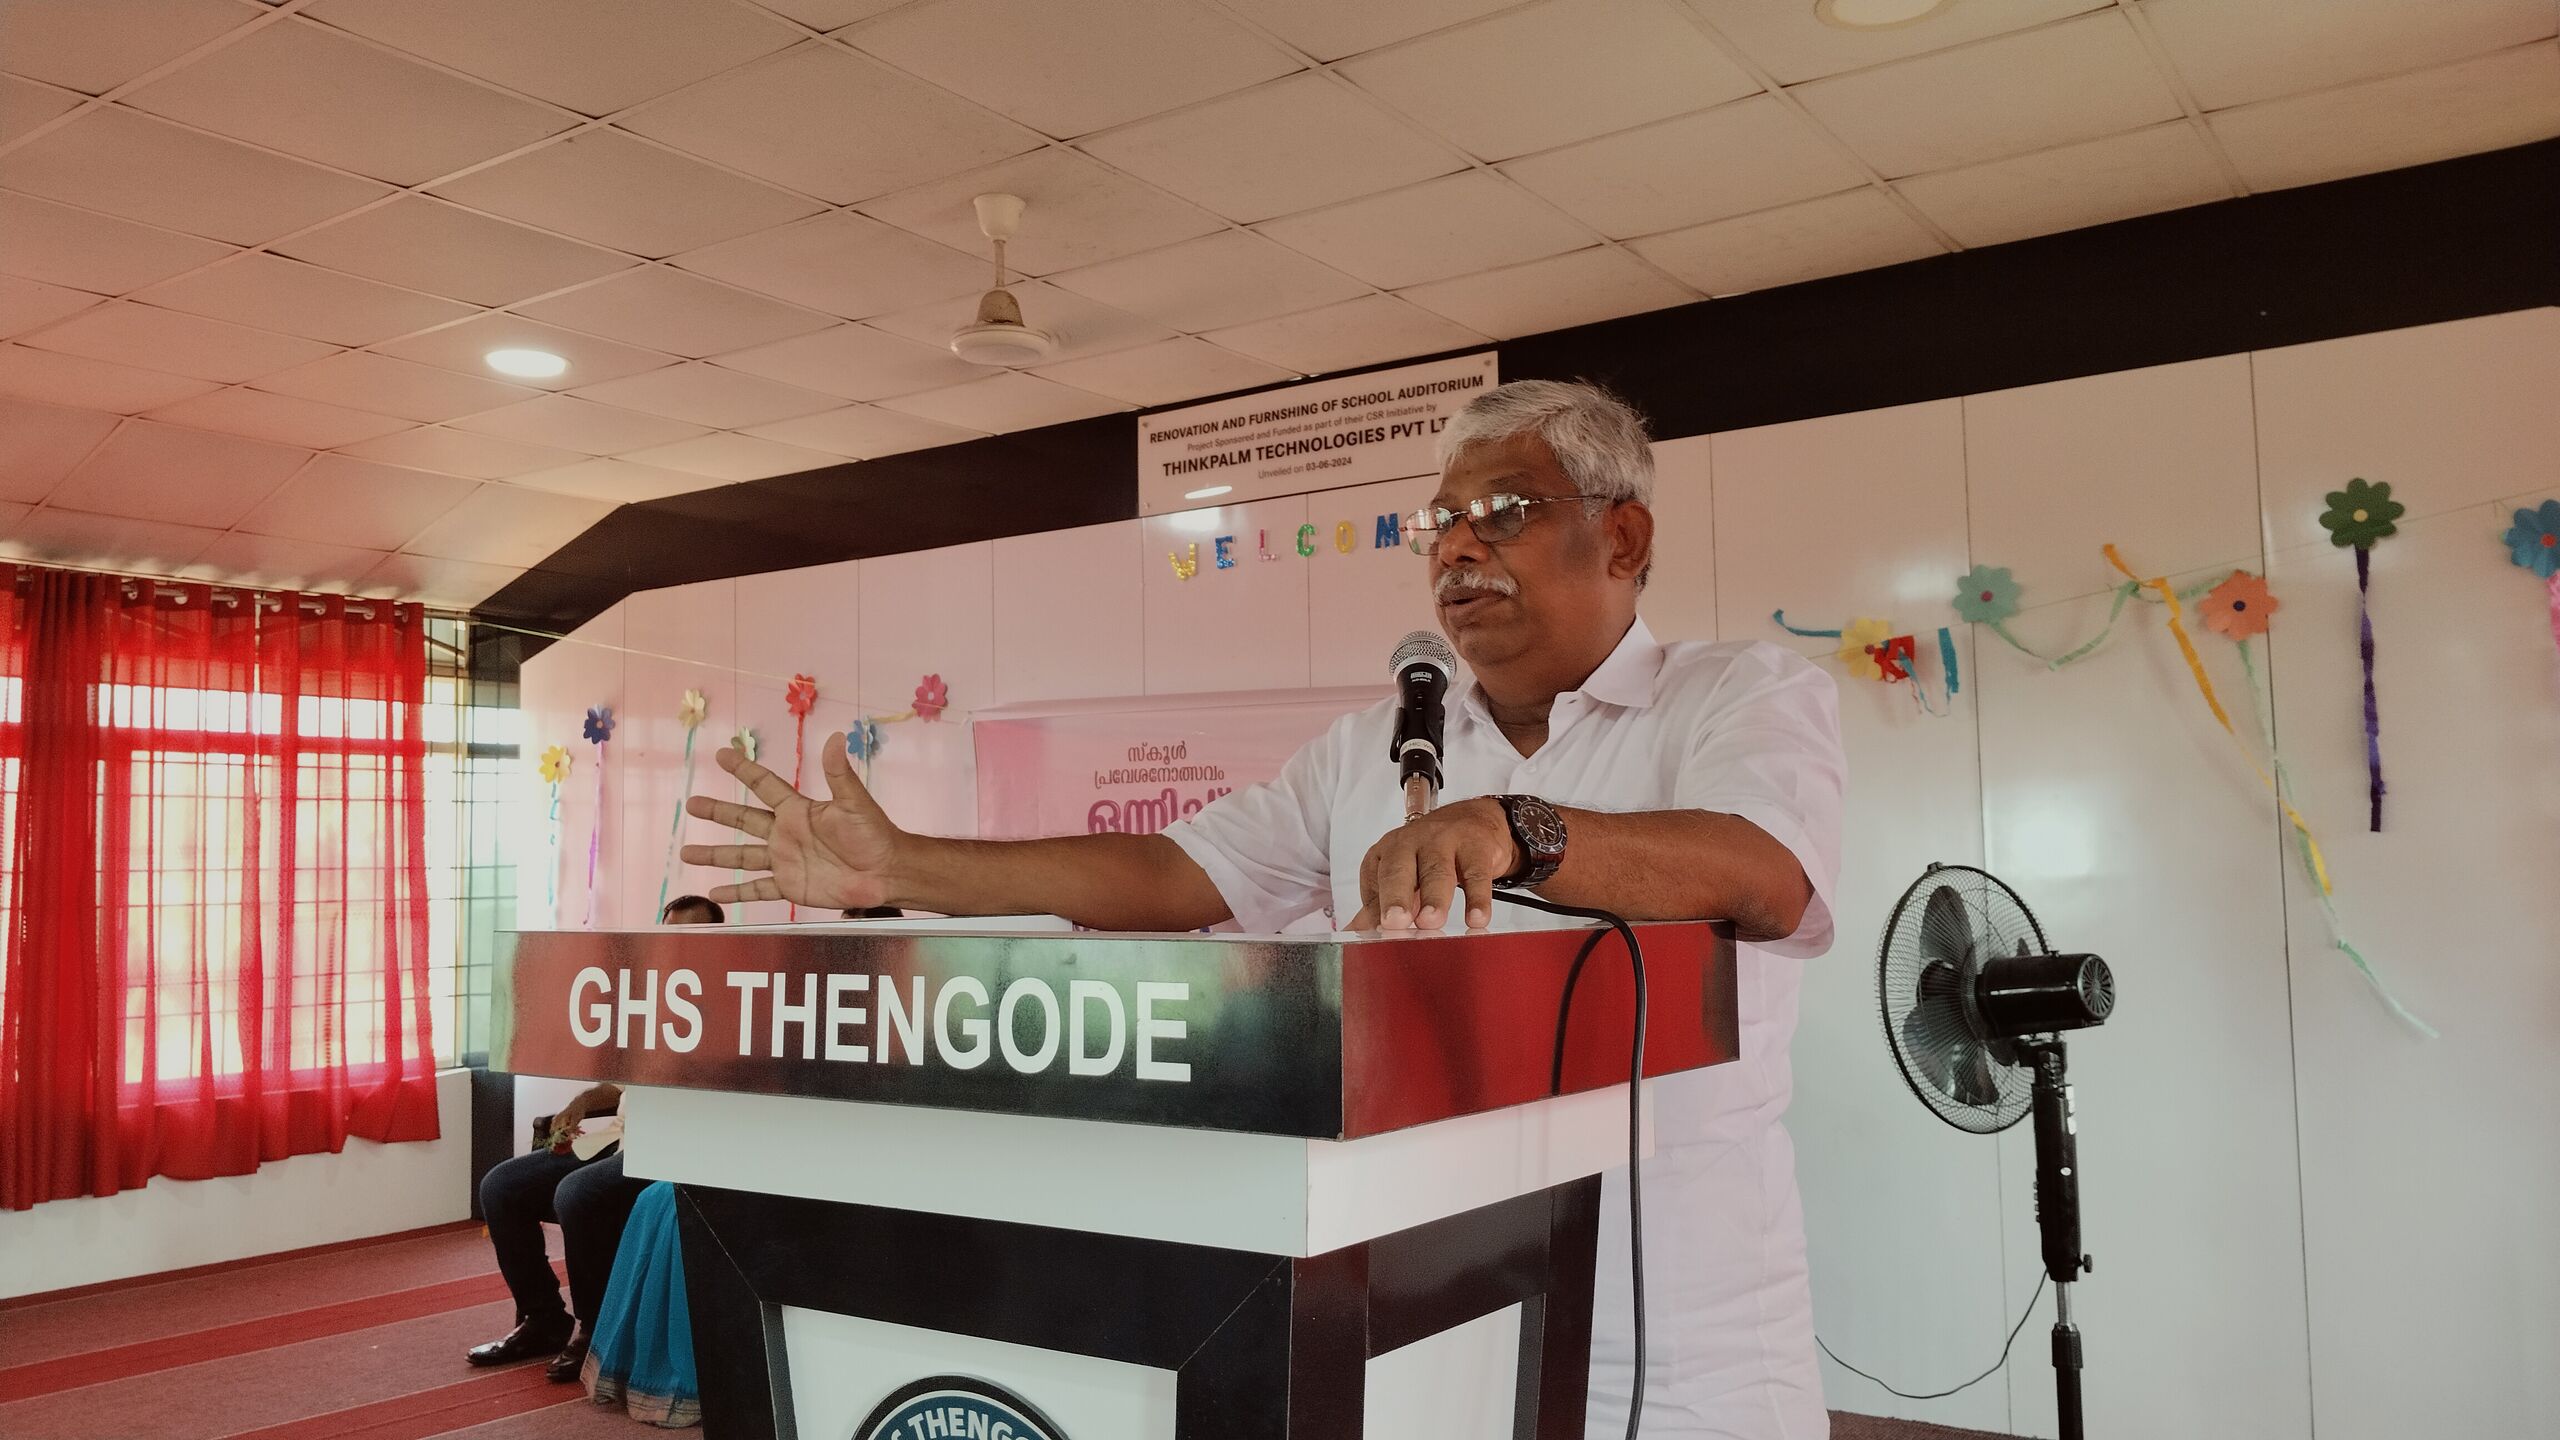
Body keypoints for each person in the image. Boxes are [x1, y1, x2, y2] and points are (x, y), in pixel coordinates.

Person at [682, 380, 1844, 1440]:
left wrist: (1517, 828)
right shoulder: (1374, 748)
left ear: (1621, 536)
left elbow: (1763, 871)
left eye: (1501, 512)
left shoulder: (1738, 693)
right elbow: (1175, 875)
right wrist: (903, 867)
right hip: (1424, 1316)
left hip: (1679, 1346)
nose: (1456, 549)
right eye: (1438, 522)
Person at [467, 895, 724, 1381]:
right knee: (501, 1186)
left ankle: (595, 1329)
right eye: (671, 935)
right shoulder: (653, 999)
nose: (681, 945)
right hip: (620, 1137)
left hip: (675, 1149)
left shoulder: (736, 1006)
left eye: (695, 935)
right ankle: (543, 1317)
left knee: (577, 1193)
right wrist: (585, 1101)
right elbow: (622, 1084)